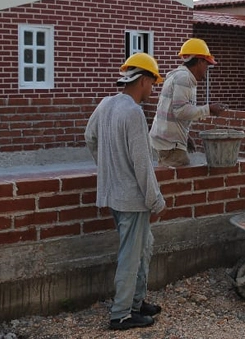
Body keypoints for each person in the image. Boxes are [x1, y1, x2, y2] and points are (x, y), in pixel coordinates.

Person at [85, 52, 167, 330]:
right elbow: (142, 163)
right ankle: (121, 315)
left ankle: (136, 302)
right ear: (142, 80)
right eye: (152, 83)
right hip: (132, 199)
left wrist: (107, 169)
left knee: (143, 248)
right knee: (131, 256)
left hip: (114, 195)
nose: (152, 89)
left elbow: (90, 137)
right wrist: (155, 199)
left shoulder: (106, 104)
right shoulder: (133, 112)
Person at [149, 38, 226, 166]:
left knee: (169, 177)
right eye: (206, 64)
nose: (207, 68)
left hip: (165, 140)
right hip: (169, 144)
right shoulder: (184, 79)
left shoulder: (177, 75)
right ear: (200, 61)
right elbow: (180, 111)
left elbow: (173, 111)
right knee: (178, 180)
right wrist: (209, 109)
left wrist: (184, 136)